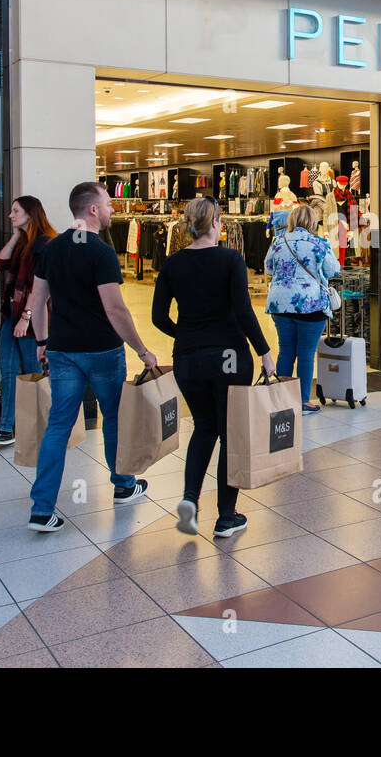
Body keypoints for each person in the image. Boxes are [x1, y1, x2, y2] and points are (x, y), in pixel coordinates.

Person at [26, 182, 157, 532]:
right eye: (109, 204)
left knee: (58, 424)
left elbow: (36, 302)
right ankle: (123, 484)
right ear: (93, 210)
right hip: (102, 350)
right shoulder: (99, 253)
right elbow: (114, 309)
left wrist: (42, 340)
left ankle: (41, 509)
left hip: (62, 350)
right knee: (113, 416)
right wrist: (142, 350)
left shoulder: (51, 250)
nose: (113, 209)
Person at [153, 195, 276, 540]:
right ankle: (226, 517)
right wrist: (264, 351)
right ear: (216, 224)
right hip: (230, 358)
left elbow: (157, 317)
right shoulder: (230, 259)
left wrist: (188, 335)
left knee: (205, 428)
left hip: (188, 359)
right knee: (230, 433)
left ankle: (190, 500)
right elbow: (242, 311)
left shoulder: (173, 263)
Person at [0, 195, 57, 450]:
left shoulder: (44, 244)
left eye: (16, 211)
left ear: (30, 213)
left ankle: (37, 425)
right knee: (8, 370)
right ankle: (6, 428)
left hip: (30, 319)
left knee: (32, 373)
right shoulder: (25, 243)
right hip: (11, 315)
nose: (10, 215)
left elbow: (38, 288)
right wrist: (17, 235)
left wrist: (27, 318)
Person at [263, 203, 341, 412]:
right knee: (306, 353)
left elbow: (268, 268)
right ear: (313, 222)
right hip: (311, 304)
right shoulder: (319, 242)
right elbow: (333, 270)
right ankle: (303, 400)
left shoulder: (278, 241)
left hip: (280, 303)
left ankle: (281, 400)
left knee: (286, 350)